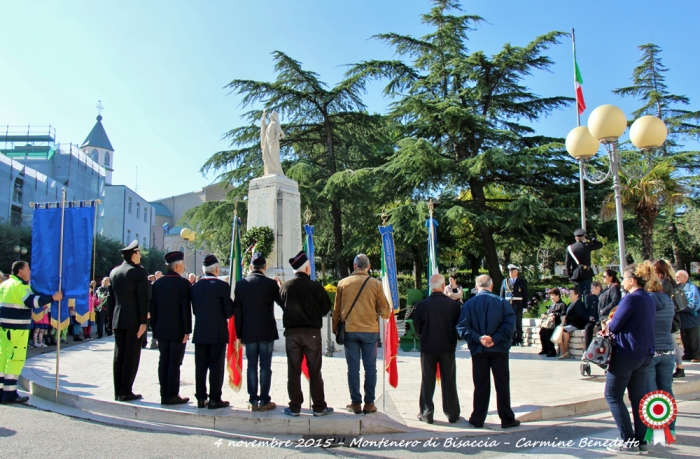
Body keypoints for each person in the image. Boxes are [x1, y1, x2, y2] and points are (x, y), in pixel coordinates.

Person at [604, 264, 655, 454]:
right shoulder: (648, 298)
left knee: (613, 395)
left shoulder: (631, 299)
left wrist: (609, 322)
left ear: (632, 280)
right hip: (645, 353)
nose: (622, 281)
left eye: (624, 278)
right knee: (638, 398)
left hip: (627, 353)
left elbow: (615, 326)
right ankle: (641, 442)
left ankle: (629, 442)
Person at [456, 274, 519, 429]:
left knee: (481, 385)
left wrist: (479, 338)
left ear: (476, 287)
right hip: (500, 349)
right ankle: (507, 418)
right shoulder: (502, 303)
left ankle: (477, 418)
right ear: (491, 286)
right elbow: (510, 325)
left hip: (479, 350)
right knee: (502, 384)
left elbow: (462, 328)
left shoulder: (469, 305)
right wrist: (494, 339)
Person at [332, 254, 391, 415]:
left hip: (350, 329)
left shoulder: (343, 283)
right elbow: (385, 311)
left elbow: (336, 310)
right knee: (370, 367)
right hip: (370, 331)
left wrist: (335, 328)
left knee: (353, 368)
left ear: (354, 265)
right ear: (369, 267)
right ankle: (370, 402)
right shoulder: (376, 284)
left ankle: (355, 402)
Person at [278, 251, 333, 417]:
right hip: (312, 333)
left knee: (293, 371)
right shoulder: (316, 287)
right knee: (315, 370)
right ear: (307, 268)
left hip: (292, 334)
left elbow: (282, 305)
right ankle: (318, 406)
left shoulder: (285, 287)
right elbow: (325, 308)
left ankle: (295, 406)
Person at [0, 261, 62, 403]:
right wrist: (53, 297)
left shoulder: (4, 285)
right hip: (17, 330)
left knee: (2, 359)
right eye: (27, 269)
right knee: (15, 360)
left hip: (3, 328)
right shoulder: (20, 286)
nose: (29, 272)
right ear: (20, 271)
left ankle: (1, 392)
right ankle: (9, 395)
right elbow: (32, 302)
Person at [233, 253, 281, 412]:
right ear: (264, 267)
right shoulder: (270, 284)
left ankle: (253, 400)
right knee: (265, 366)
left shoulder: (240, 285)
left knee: (251, 365)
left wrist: (239, 334)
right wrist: (279, 286)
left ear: (251, 267)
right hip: (266, 331)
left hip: (248, 331)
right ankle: (264, 400)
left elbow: (237, 312)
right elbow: (282, 302)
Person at [413, 274, 461, 424]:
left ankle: (426, 413)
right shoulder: (453, 305)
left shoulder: (422, 305)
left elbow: (416, 328)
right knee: (449, 380)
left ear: (430, 287)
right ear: (443, 286)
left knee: (428, 380)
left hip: (428, 347)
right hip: (447, 346)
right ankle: (452, 413)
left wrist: (424, 336)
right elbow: (458, 326)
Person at [638, 262, 677, 440]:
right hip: (668, 349)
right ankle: (671, 429)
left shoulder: (644, 301)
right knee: (667, 390)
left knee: (651, 392)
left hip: (651, 350)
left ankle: (655, 431)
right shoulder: (668, 300)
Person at [108, 240, 149, 402]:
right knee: (131, 356)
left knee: (119, 354)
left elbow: (111, 299)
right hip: (133, 321)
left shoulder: (114, 272)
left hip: (118, 319)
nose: (140, 256)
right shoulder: (139, 272)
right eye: (138, 253)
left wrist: (111, 320)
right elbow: (142, 298)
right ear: (133, 255)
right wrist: (143, 321)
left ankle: (118, 390)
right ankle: (126, 390)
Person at [192, 255, 234, 409]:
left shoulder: (195, 286)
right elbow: (229, 311)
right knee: (216, 367)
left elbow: (195, 310)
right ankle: (215, 398)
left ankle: (201, 398)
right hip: (217, 332)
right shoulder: (222, 286)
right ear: (216, 269)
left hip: (201, 331)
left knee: (200, 366)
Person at [150, 251, 192, 405]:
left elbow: (153, 308)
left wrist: (154, 327)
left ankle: (164, 394)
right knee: (175, 362)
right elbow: (185, 309)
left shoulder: (158, 283)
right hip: (177, 330)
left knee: (163, 361)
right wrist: (187, 330)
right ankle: (172, 395)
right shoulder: (183, 283)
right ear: (178, 266)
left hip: (161, 329)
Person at [652, 260, 686, 378]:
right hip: (669, 315)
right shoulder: (668, 281)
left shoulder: (665, 283)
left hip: (667, 316)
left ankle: (680, 367)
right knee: (671, 341)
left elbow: (663, 300)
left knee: (671, 341)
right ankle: (679, 367)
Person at [565, 228, 603, 298]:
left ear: (575, 237)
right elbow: (600, 244)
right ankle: (588, 308)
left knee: (577, 295)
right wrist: (591, 238)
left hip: (576, 274)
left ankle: (579, 308)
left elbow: (567, 263)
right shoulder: (587, 246)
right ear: (583, 237)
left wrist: (569, 275)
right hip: (587, 273)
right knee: (587, 294)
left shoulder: (570, 248)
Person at [559, 287, 594, 359]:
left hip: (576, 324)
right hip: (569, 323)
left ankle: (566, 351)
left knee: (564, 331)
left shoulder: (579, 304)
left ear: (577, 295)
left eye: (571, 294)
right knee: (558, 332)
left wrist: (567, 318)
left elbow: (579, 316)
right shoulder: (570, 304)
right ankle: (563, 351)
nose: (570, 295)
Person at [499, 264, 528, 346]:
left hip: (518, 305)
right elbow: (502, 295)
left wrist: (525, 306)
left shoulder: (521, 281)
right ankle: (511, 339)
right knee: (509, 322)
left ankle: (519, 339)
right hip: (508, 305)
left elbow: (525, 294)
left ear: (517, 272)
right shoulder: (505, 281)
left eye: (512, 271)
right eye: (510, 271)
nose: (510, 273)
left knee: (518, 323)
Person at [675, 270, 700, 362]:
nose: (676, 278)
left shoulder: (692, 288)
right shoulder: (677, 288)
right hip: (682, 318)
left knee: (694, 338)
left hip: (692, 317)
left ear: (685, 278)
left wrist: (681, 308)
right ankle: (688, 354)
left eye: (678, 277)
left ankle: (697, 355)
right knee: (684, 336)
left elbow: (694, 304)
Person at [538, 288, 566, 357]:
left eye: (553, 295)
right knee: (542, 331)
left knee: (548, 332)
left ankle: (551, 350)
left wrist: (555, 314)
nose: (551, 297)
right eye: (551, 295)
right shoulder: (552, 305)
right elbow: (548, 313)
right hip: (550, 323)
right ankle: (545, 349)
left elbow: (563, 315)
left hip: (557, 324)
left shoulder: (562, 305)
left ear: (558, 295)